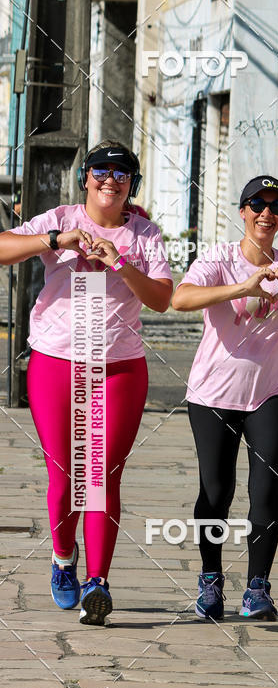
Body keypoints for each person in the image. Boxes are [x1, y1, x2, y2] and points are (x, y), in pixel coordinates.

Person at [0, 141, 173, 625]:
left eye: (122, 173)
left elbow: (161, 299)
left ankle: (98, 582)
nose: (110, 180)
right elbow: (2, 247)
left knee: (100, 477)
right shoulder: (60, 217)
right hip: (57, 362)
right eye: (101, 170)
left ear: (131, 185)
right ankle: (62, 557)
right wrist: (57, 240)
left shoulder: (145, 234)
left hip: (117, 367)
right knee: (64, 476)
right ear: (86, 177)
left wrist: (119, 261)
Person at [172, 175, 278, 622]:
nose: (266, 213)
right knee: (216, 492)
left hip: (271, 392)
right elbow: (181, 299)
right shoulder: (219, 258)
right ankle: (210, 581)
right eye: (257, 205)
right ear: (242, 211)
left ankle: (258, 588)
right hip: (212, 394)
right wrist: (246, 288)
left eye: (276, 207)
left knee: (266, 491)